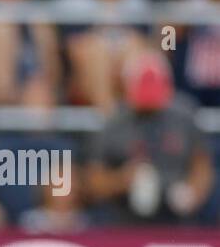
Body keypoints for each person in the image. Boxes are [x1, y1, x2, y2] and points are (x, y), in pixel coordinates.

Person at [82, 51, 215, 224]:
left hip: (176, 215)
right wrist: (121, 180)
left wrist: (192, 192)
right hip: (125, 218)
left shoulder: (184, 117)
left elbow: (202, 164)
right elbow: (93, 179)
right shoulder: (114, 123)